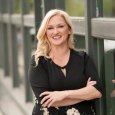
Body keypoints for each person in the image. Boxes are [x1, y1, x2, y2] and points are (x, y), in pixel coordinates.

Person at [28, 9, 102, 115]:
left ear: (69, 30)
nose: (55, 32)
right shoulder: (38, 61)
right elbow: (45, 100)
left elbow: (96, 92)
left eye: (60, 26)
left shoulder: (83, 58)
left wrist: (64, 94)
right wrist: (84, 94)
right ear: (45, 32)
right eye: (50, 28)